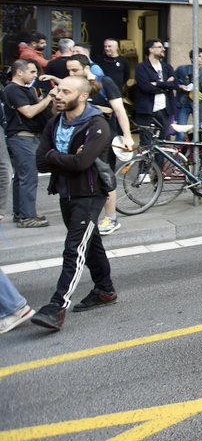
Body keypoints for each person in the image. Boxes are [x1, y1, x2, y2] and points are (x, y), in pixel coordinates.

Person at [30, 76, 117, 332]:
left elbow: (82, 164)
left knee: (74, 249)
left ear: (81, 96)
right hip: (66, 192)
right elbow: (40, 163)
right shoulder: (54, 122)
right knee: (90, 243)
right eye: (58, 90)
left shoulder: (98, 125)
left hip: (90, 194)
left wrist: (55, 156)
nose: (57, 94)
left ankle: (57, 307)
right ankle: (105, 289)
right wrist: (64, 157)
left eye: (65, 91)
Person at [64, 56, 133, 236]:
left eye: (74, 70)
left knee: (104, 177)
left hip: (104, 139)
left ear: (87, 68)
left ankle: (111, 218)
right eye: (68, 71)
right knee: (83, 176)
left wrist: (127, 136)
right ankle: (86, 216)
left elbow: (119, 111)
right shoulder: (72, 86)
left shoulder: (105, 82)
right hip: (79, 139)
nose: (71, 74)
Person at [3, 58, 53, 227]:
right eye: (32, 72)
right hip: (22, 138)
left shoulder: (25, 90)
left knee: (21, 177)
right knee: (28, 177)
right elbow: (29, 112)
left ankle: (21, 213)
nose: (35, 75)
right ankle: (27, 217)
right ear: (19, 72)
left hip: (26, 137)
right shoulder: (13, 89)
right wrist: (48, 99)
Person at [134, 39, 181, 138]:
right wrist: (165, 86)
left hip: (165, 110)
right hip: (146, 111)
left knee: (164, 142)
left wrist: (157, 83)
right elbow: (145, 87)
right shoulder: (141, 67)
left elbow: (175, 84)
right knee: (146, 143)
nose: (163, 49)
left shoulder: (167, 67)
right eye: (160, 47)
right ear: (151, 49)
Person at [174, 48, 202, 130]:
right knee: (181, 131)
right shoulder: (182, 69)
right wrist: (180, 86)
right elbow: (172, 80)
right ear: (192, 59)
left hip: (199, 105)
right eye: (199, 56)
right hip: (183, 103)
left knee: (200, 131)